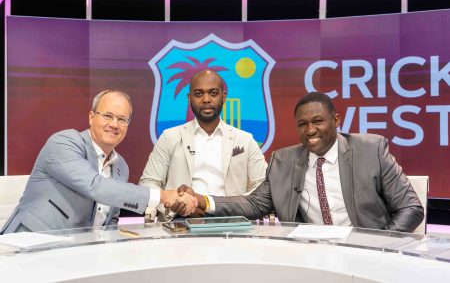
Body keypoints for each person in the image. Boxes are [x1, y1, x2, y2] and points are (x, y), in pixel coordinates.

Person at [176, 92, 424, 232]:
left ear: (336, 120)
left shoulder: (371, 149)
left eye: (318, 121)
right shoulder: (283, 160)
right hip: (311, 254)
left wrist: (379, 245)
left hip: (367, 252)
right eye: (302, 125)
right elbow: (253, 204)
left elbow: (411, 208)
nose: (310, 130)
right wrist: (202, 200)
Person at [1, 90, 197, 234]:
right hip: (28, 245)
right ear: (91, 117)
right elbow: (96, 186)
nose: (114, 124)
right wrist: (163, 196)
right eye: (107, 116)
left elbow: (110, 221)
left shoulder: (121, 167)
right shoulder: (64, 142)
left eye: (122, 119)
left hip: (77, 256)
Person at [139, 69, 267, 221]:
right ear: (189, 98)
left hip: (233, 222)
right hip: (179, 223)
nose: (206, 99)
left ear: (224, 97)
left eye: (213, 93)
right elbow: (147, 183)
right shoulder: (169, 137)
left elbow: (263, 188)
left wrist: (231, 207)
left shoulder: (244, 140)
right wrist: (173, 204)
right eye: (199, 94)